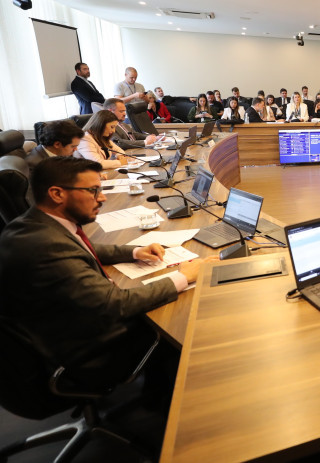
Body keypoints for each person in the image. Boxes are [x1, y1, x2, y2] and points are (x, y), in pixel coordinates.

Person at [0, 156, 202, 389]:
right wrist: (183, 276)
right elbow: (115, 304)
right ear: (57, 194)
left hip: (52, 330)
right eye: (93, 191)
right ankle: (164, 405)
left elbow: (82, 246)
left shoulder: (33, 224)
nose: (102, 198)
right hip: (82, 353)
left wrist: (135, 252)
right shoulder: (46, 246)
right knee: (181, 328)